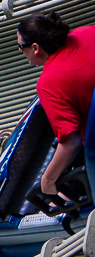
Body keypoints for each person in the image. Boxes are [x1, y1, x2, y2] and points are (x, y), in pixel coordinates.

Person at [16, 12, 95, 195]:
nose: (21, 52)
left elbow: (71, 143)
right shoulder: (86, 32)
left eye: (21, 47)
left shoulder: (48, 83)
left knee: (56, 197)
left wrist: (48, 179)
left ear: (35, 48)